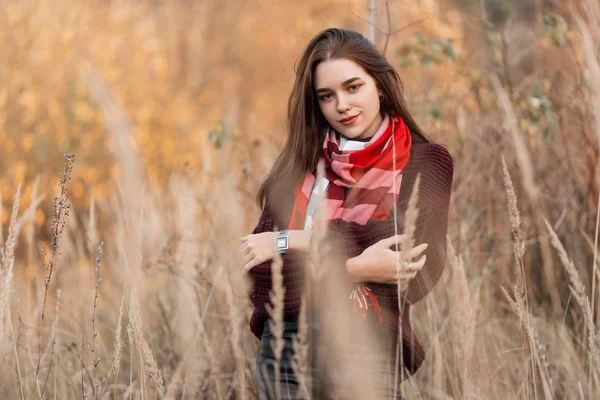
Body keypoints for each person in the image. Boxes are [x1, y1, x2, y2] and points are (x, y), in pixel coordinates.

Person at [238, 28, 454, 399]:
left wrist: (292, 239)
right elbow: (261, 279)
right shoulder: (298, 167)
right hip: (285, 349)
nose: (342, 105)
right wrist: (356, 268)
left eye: (353, 87)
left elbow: (410, 259)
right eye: (327, 96)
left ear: (380, 86)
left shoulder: (426, 162)